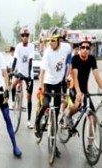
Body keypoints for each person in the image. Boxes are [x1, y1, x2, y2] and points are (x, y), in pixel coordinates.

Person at [34, 27, 71, 156]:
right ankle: (37, 122)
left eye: (53, 40)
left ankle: (53, 146)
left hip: (58, 83)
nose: (51, 43)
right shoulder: (48, 52)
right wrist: (40, 88)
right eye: (49, 40)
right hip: (48, 82)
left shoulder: (66, 48)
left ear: (59, 40)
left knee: (55, 113)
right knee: (45, 104)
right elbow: (42, 72)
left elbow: (70, 56)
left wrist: (68, 73)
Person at [65, 36, 102, 132]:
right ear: (80, 48)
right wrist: (78, 92)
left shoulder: (92, 59)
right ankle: (68, 116)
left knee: (93, 117)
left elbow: (97, 77)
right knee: (78, 104)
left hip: (85, 90)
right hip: (74, 88)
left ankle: (90, 144)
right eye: (83, 47)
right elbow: (75, 77)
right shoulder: (75, 59)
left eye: (87, 48)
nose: (85, 50)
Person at [10, 27, 35, 129]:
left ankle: (29, 121)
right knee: (12, 85)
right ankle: (12, 101)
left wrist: (29, 76)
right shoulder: (18, 47)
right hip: (20, 72)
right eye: (23, 36)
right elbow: (15, 59)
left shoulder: (31, 46)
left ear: (28, 36)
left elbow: (30, 61)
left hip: (29, 74)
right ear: (21, 37)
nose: (25, 37)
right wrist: (12, 71)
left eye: (27, 36)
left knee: (29, 97)